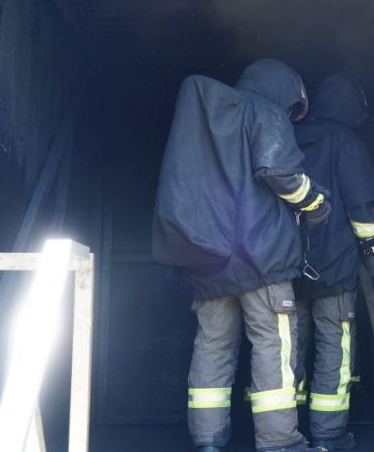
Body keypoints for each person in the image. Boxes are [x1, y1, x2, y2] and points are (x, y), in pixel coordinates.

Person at [152, 58, 332, 452]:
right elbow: (279, 172)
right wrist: (316, 202)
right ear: (285, 90)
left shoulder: (210, 121)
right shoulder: (266, 111)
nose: (291, 115)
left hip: (210, 260)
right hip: (261, 260)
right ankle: (280, 441)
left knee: (213, 345)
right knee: (272, 345)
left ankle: (207, 439)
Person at [293, 74, 374, 451]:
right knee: (334, 345)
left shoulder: (286, 136)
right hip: (335, 267)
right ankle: (328, 434)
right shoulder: (346, 141)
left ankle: (283, 432)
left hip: (285, 266)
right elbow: (360, 208)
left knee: (286, 349)